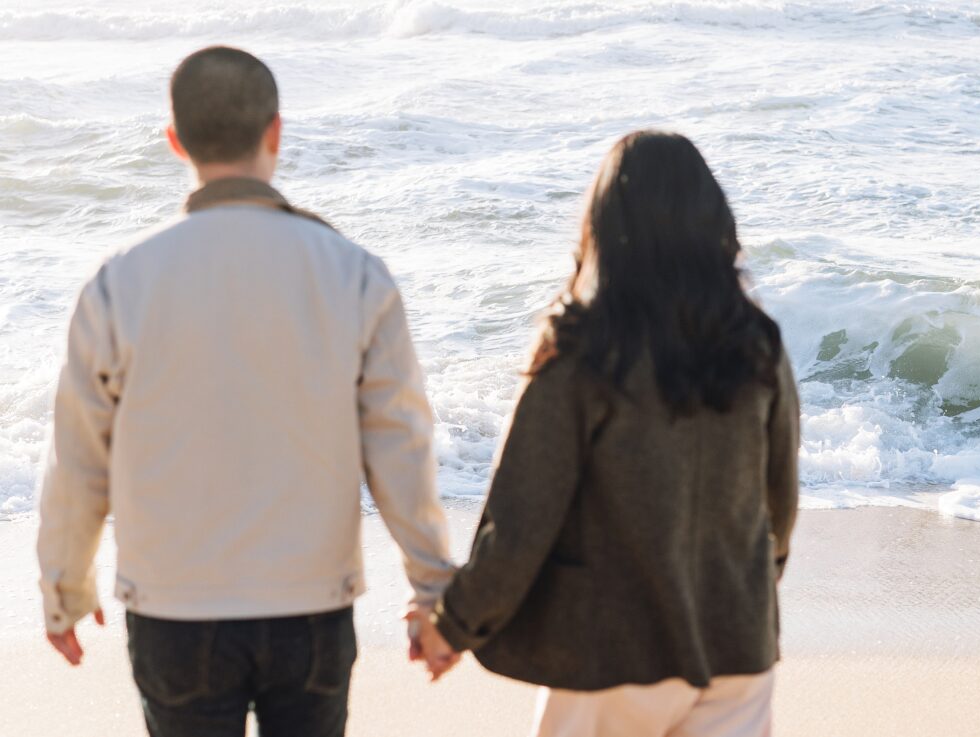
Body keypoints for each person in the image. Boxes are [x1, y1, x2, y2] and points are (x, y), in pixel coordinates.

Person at [36, 46, 454, 737]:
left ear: (175, 142)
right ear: (276, 133)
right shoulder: (353, 273)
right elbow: (401, 447)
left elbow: (77, 452)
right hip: (311, 605)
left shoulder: (121, 282)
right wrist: (435, 590)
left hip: (172, 607)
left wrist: (64, 588)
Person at [411, 131, 801, 737]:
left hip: (611, 654)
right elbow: (779, 508)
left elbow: (519, 524)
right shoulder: (758, 345)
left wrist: (452, 623)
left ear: (603, 227)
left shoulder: (581, 352)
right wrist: (740, 591)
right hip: (737, 649)